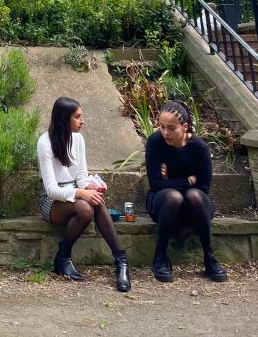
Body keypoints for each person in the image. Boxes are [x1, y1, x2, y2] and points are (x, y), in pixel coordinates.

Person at [37, 96, 130, 291]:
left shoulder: (78, 139)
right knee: (86, 208)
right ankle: (63, 257)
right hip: (52, 202)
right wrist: (80, 193)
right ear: (65, 119)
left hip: (74, 193)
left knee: (96, 201)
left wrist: (91, 186)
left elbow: (80, 176)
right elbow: (51, 190)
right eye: (78, 117)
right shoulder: (45, 143)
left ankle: (121, 261)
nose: (83, 121)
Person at [145, 100, 227, 282]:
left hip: (194, 208)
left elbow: (203, 187)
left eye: (171, 128)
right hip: (163, 205)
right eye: (162, 127)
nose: (165, 132)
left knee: (195, 195)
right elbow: (155, 184)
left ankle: (209, 258)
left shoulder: (199, 147)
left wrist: (169, 181)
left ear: (185, 126)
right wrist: (187, 180)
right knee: (173, 197)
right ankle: (160, 257)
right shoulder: (155, 142)